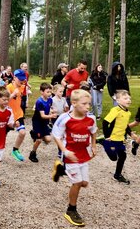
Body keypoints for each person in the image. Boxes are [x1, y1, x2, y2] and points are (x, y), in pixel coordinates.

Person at [52, 89, 97, 227]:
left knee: (84, 183)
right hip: (70, 156)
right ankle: (71, 210)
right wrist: (65, 151)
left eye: (89, 104)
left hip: (83, 156)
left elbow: (93, 132)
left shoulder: (91, 118)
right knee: (77, 183)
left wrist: (94, 146)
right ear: (74, 103)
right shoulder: (65, 118)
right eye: (84, 104)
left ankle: (60, 169)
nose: (87, 107)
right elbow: (56, 136)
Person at [102, 90, 136, 184]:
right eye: (125, 98)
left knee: (122, 156)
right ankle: (103, 142)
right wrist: (107, 137)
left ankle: (117, 175)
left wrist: (130, 133)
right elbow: (105, 123)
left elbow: (125, 125)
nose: (129, 100)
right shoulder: (115, 110)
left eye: (129, 98)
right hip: (111, 139)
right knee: (113, 157)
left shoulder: (128, 113)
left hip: (120, 139)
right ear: (117, 100)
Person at [29, 83, 57, 162]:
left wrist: (52, 111)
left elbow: (49, 108)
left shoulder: (50, 100)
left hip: (45, 122)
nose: (49, 94)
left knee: (48, 140)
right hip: (37, 122)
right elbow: (43, 115)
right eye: (47, 92)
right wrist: (52, 116)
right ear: (42, 92)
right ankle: (33, 154)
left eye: (50, 92)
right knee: (39, 140)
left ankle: (34, 133)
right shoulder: (39, 102)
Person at [7, 69, 27, 161]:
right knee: (1, 137)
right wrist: (12, 94)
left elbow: (20, 98)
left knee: (22, 132)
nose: (22, 81)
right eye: (20, 79)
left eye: (23, 79)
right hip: (9, 115)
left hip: (18, 113)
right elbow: (4, 101)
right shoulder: (9, 87)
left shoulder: (22, 87)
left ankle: (15, 150)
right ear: (14, 77)